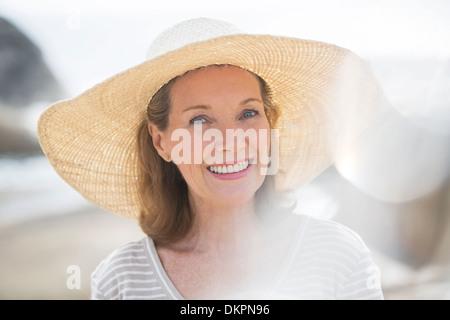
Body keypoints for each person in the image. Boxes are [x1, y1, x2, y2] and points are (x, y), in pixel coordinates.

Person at [38, 18, 384, 300]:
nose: (231, 141)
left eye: (248, 113)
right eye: (200, 120)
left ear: (270, 125)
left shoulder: (338, 256)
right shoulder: (121, 280)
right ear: (161, 142)